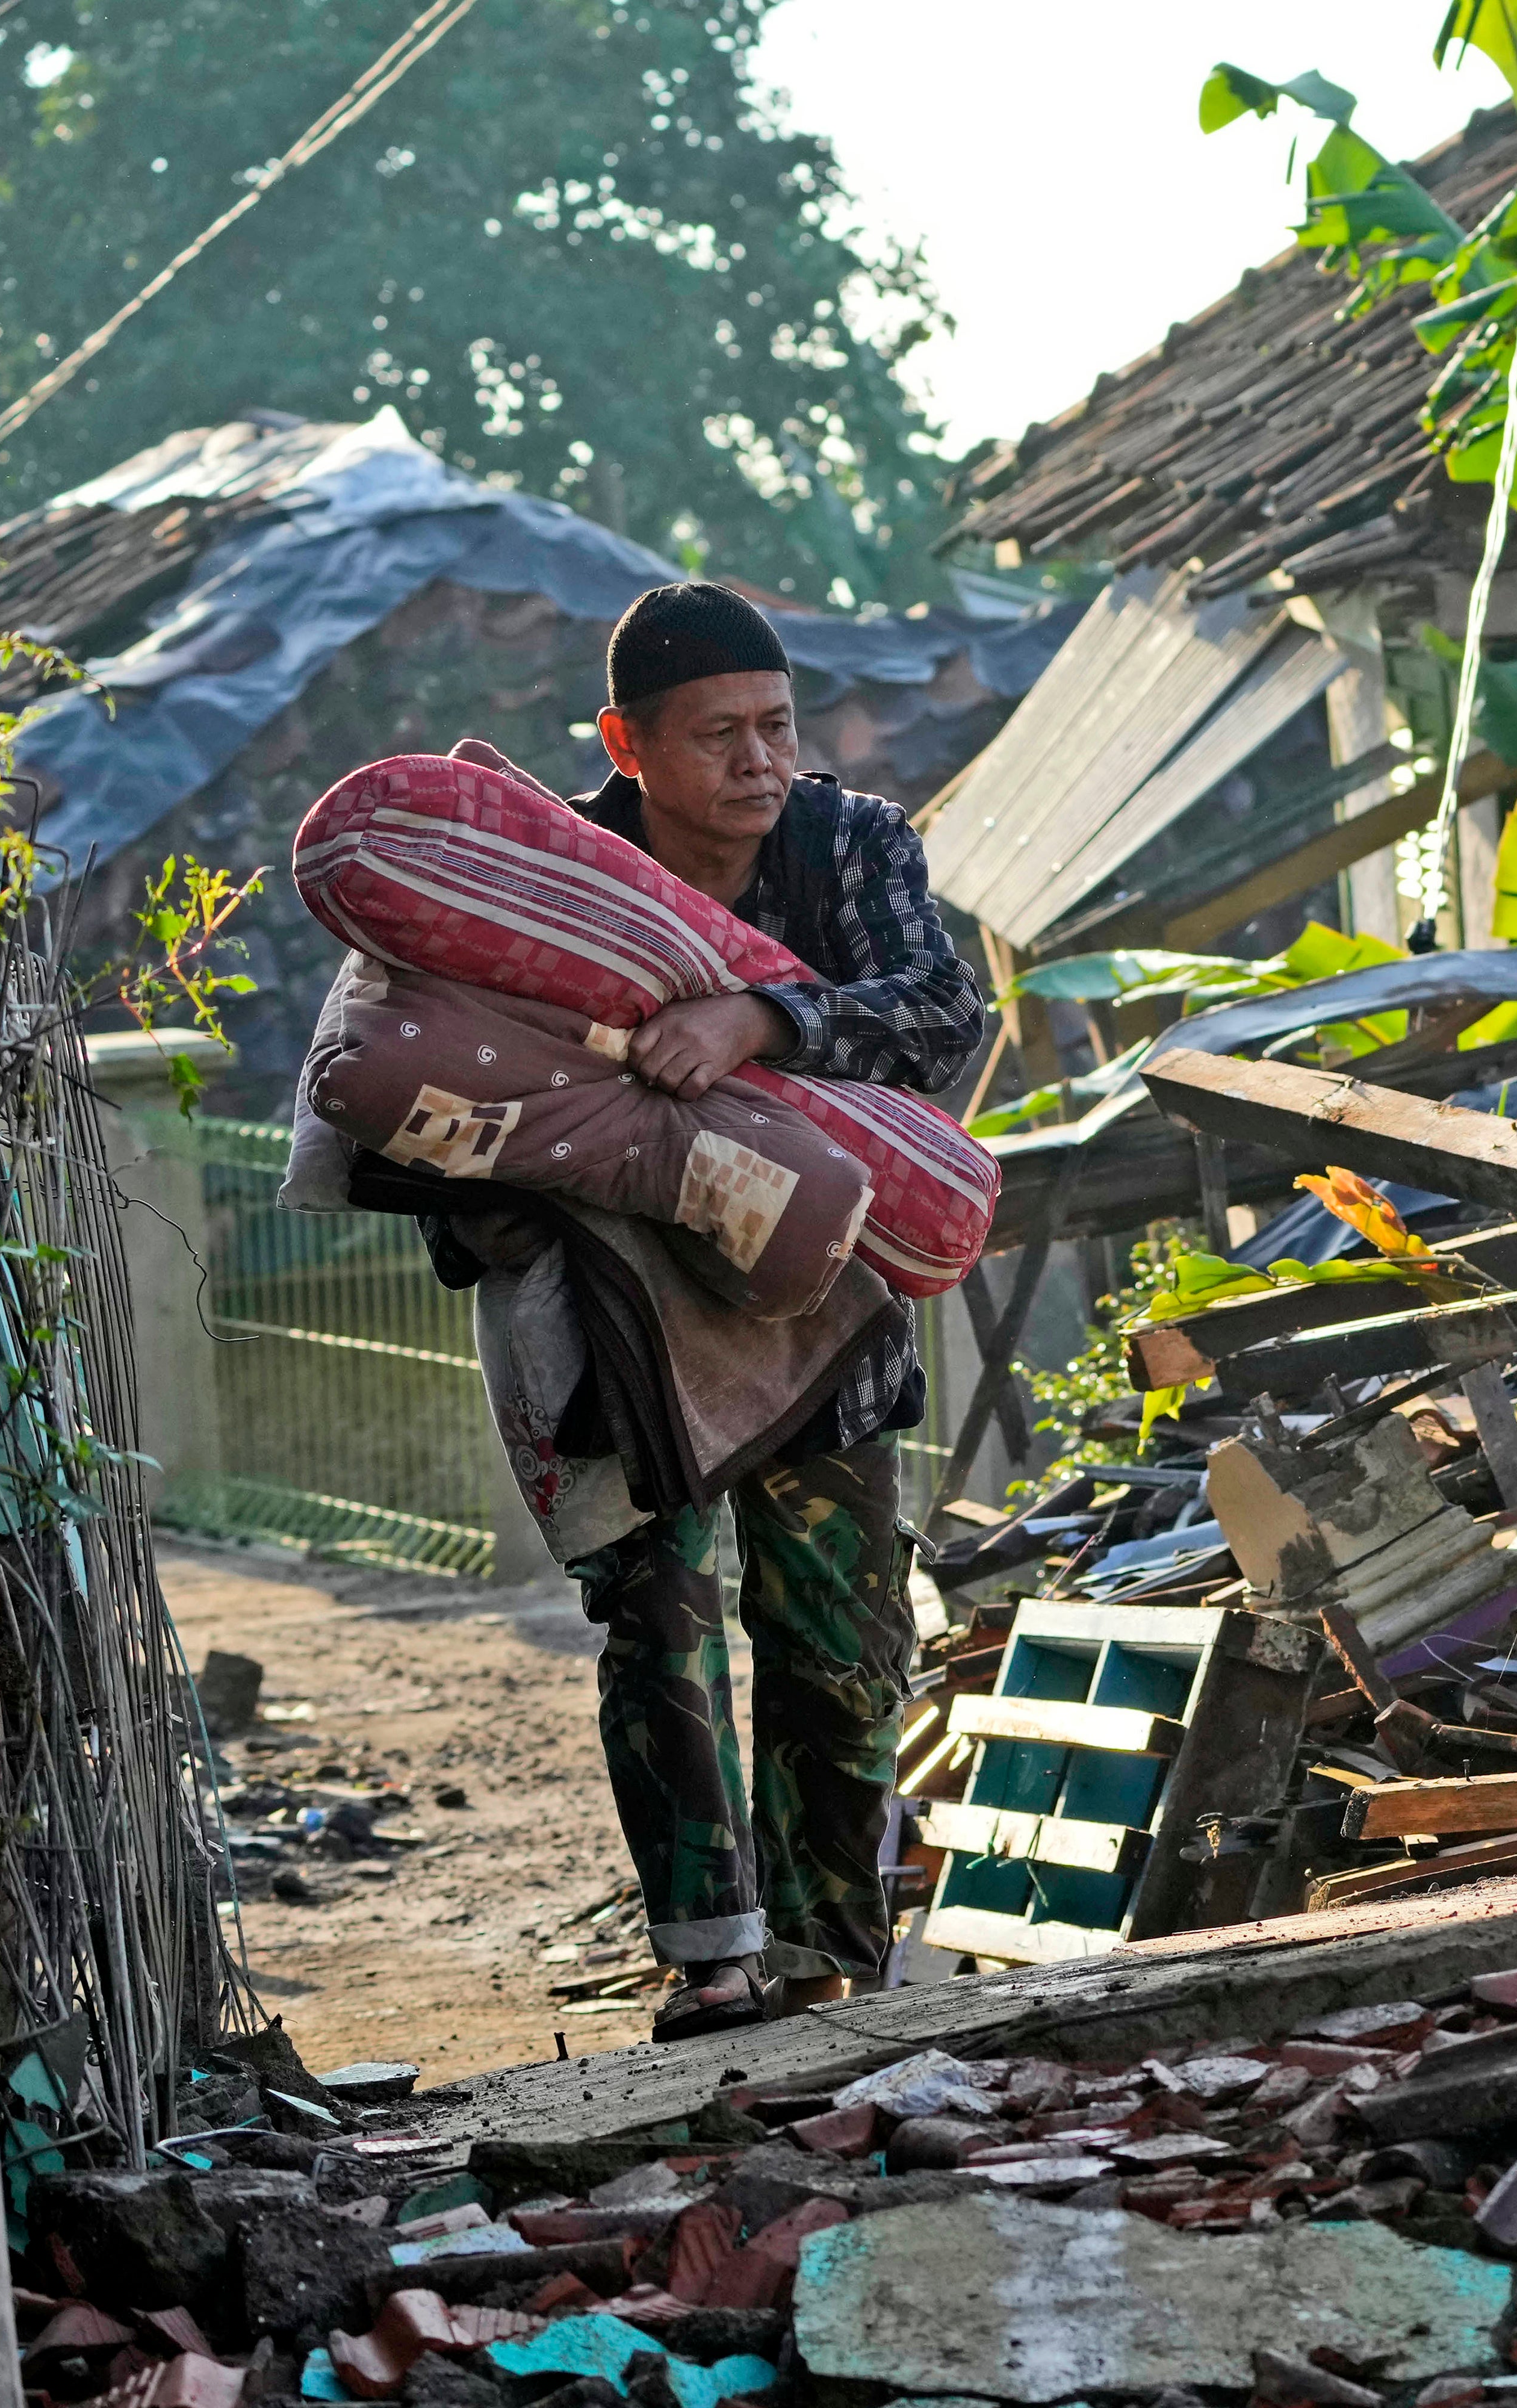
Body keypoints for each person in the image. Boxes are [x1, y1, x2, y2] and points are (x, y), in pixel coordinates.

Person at [557, 580, 985, 2039]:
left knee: (837, 1634)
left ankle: (825, 1962)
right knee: (657, 1622)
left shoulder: (851, 842)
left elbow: (940, 1010)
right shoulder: (569, 865)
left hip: (830, 1307)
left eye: (778, 725)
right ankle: (712, 1960)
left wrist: (761, 1017)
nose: (759, 760)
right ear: (625, 742)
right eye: (718, 732)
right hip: (628, 1312)